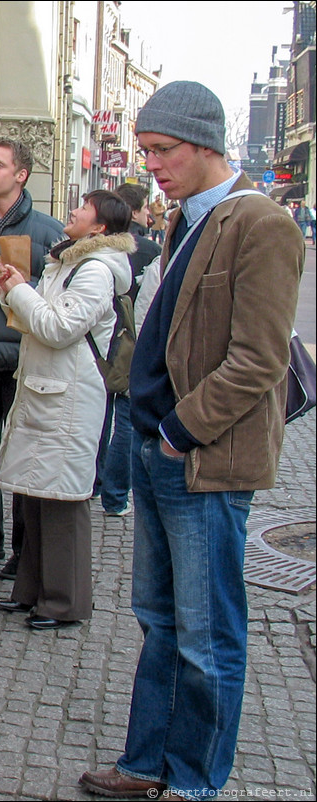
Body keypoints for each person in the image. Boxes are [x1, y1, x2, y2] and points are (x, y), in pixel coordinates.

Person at [81, 81, 304, 801]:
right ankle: (147, 764)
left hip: (202, 461)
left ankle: (197, 783)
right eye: (146, 152)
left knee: (209, 640)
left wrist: (179, 433)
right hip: (156, 452)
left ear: (206, 142)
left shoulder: (261, 223)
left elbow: (258, 359)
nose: (153, 167)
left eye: (162, 151)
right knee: (159, 624)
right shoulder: (184, 222)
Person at [0, 190, 133, 630]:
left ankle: (64, 602)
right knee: (35, 496)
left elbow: (58, 327)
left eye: (83, 207)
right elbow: (40, 316)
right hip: (48, 390)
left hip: (70, 397)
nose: (72, 211)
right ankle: (32, 591)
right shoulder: (67, 261)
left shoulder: (96, 271)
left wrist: (20, 293)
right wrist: (10, 294)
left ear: (100, 227)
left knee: (63, 500)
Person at [0, 139, 64, 580]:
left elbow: (57, 299)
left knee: (22, 458)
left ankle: (23, 553)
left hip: (22, 362)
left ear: (20, 175)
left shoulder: (48, 231)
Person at [94, 184, 162, 516]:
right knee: (124, 418)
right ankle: (115, 495)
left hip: (100, 340)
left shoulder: (96, 251)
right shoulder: (149, 250)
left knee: (98, 412)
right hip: (129, 341)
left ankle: (94, 482)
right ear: (135, 211)